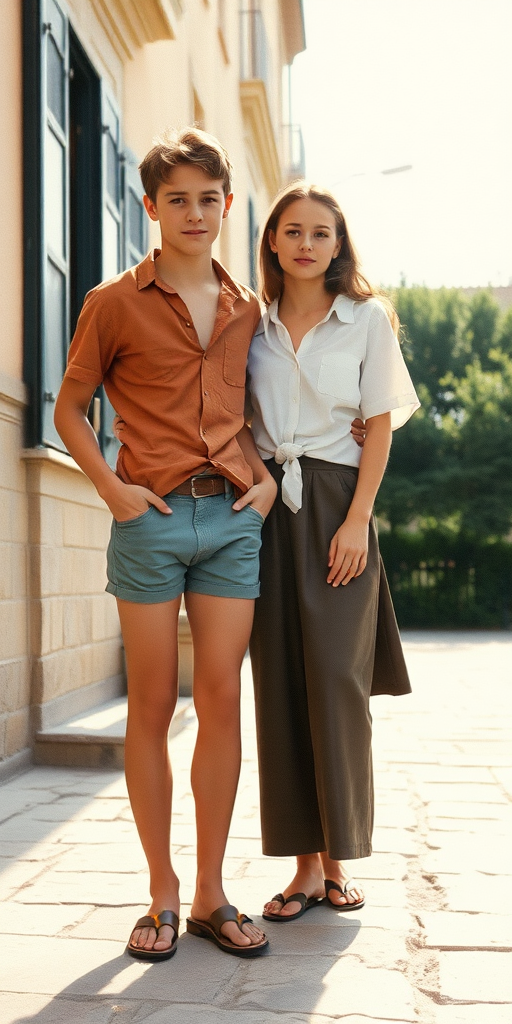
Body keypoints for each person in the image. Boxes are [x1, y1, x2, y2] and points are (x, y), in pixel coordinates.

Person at [54, 127, 278, 960]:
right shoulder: (111, 302)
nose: (194, 212)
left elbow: (261, 411)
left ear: (226, 206)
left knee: (220, 699)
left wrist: (266, 483)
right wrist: (113, 492)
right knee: (151, 707)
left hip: (231, 522)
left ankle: (214, 893)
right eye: (175, 198)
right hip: (146, 522)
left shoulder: (247, 307)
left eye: (208, 198)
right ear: (149, 208)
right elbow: (70, 410)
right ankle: (162, 892)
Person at [243, 181, 420, 920]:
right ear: (274, 242)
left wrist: (358, 518)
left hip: (338, 507)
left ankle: (341, 857)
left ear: (339, 244)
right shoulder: (248, 325)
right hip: (260, 508)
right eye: (293, 230)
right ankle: (304, 869)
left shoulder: (367, 318)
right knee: (279, 681)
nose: (308, 243)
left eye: (322, 232)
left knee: (337, 684)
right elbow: (232, 418)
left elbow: (377, 423)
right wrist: (255, 481)